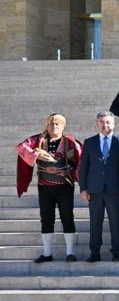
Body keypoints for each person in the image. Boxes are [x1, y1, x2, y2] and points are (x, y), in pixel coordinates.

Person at [16, 113, 83, 263]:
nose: (54, 127)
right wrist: (35, 154)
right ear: (47, 125)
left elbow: (81, 159)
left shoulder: (70, 142)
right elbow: (20, 147)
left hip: (65, 186)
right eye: (51, 124)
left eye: (57, 124)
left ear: (63, 126)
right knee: (46, 218)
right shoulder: (38, 140)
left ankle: (70, 253)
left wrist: (76, 176)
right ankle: (47, 253)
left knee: (67, 217)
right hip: (44, 186)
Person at [78, 112, 119, 262]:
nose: (105, 125)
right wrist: (83, 189)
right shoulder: (89, 142)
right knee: (95, 222)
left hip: (115, 190)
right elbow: (83, 167)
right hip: (95, 190)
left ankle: (117, 252)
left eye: (108, 122)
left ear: (114, 124)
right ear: (97, 124)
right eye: (102, 122)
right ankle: (95, 253)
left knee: (116, 222)